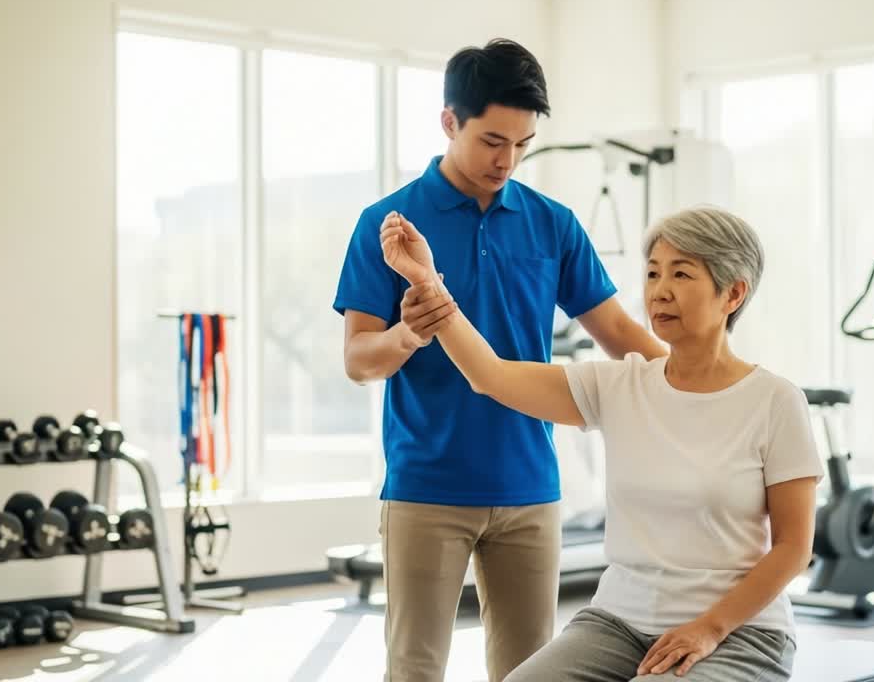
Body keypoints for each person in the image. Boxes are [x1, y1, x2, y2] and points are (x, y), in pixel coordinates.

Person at [334, 38, 666, 682]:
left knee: (530, 671)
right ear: (449, 121)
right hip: (428, 487)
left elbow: (618, 329)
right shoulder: (388, 225)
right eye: (492, 141)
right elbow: (357, 360)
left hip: (529, 486)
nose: (507, 160)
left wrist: (708, 382)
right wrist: (407, 335)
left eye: (523, 144)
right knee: (415, 669)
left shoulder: (553, 223)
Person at [379, 205, 823, 681]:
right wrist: (427, 283)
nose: (660, 291)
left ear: (733, 293)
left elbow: (794, 548)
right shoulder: (619, 385)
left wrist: (709, 627)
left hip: (737, 631)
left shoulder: (774, 401)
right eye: (653, 274)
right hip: (619, 623)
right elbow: (491, 376)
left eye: (681, 274)